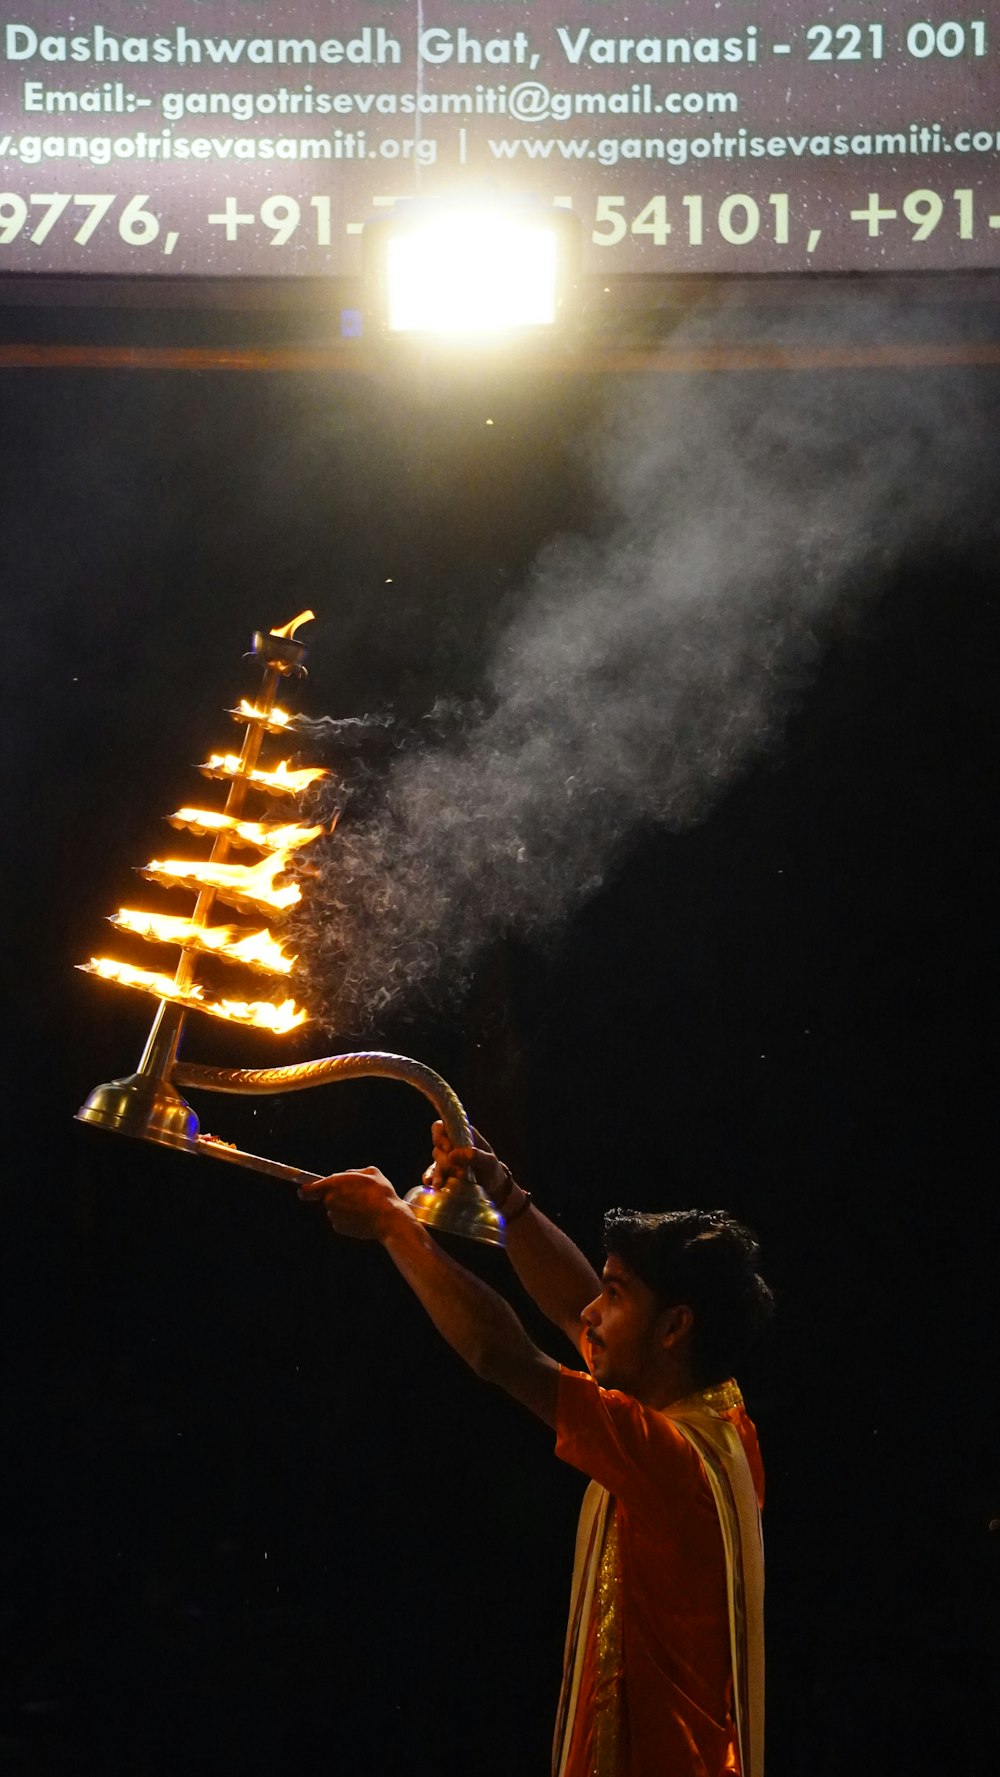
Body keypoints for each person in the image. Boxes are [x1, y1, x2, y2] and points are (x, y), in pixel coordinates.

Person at [299, 1124, 774, 1777]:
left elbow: (502, 1355)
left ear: (675, 1326)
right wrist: (504, 1192)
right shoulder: (713, 1410)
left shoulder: (670, 1459)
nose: (591, 1314)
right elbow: (572, 1308)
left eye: (616, 1293)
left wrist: (394, 1225)